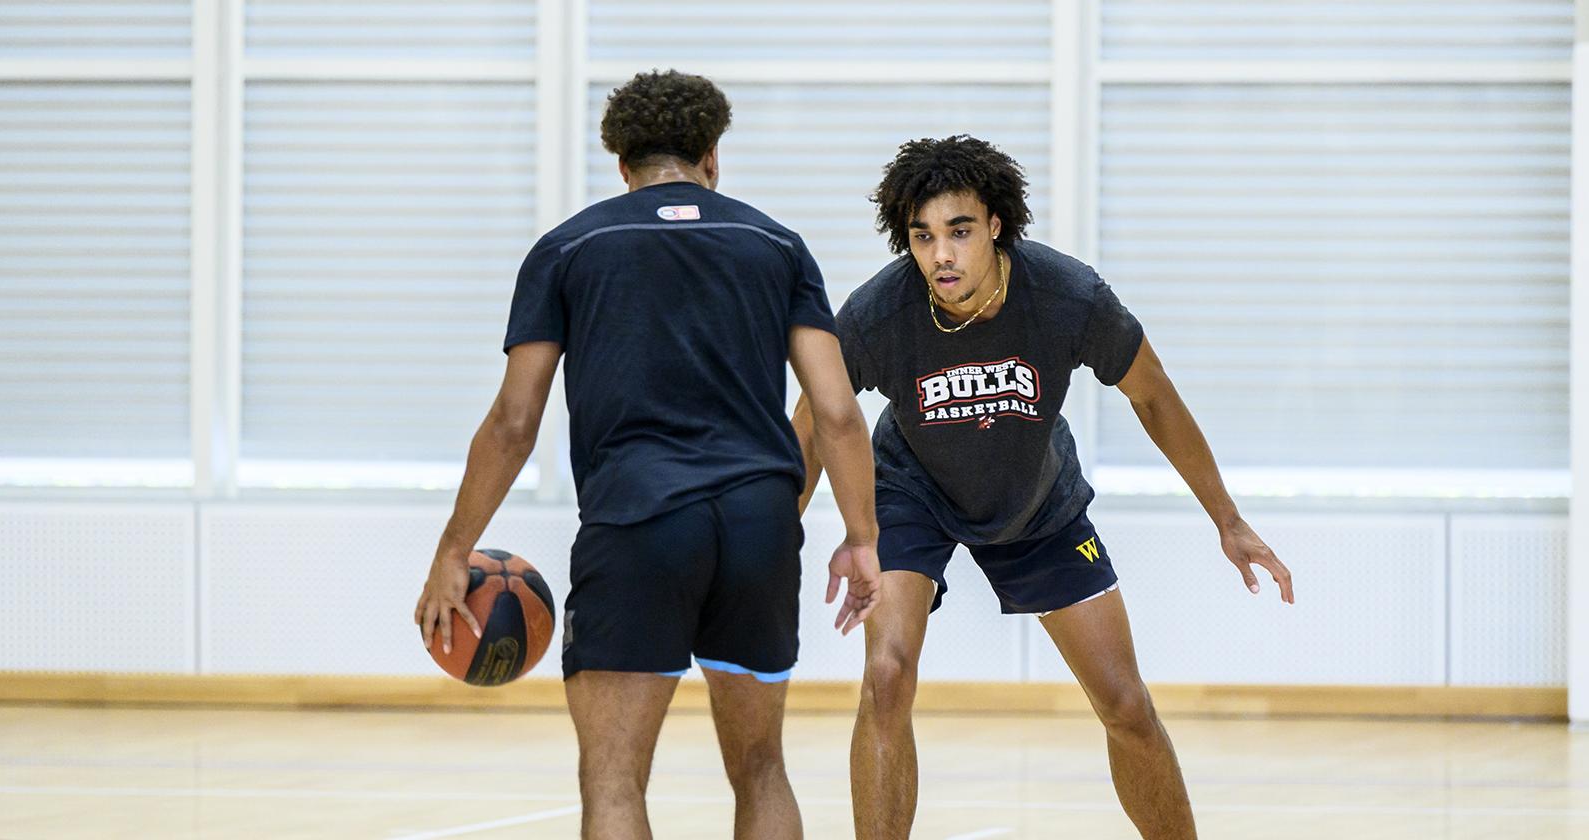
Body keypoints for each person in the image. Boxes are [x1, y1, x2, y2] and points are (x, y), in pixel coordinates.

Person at [416, 70, 883, 840]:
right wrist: (861, 540)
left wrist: (452, 548)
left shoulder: (569, 247)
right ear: (712, 157)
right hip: (760, 527)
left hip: (639, 521)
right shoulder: (777, 245)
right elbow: (836, 411)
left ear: (622, 166)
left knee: (614, 779)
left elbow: (513, 421)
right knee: (762, 767)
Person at [793, 135, 1295, 840]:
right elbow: (816, 421)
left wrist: (1228, 519)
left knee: (1124, 703)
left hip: (1037, 501)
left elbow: (1153, 397)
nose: (941, 255)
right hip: (912, 493)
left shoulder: (1067, 296)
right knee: (885, 677)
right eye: (922, 236)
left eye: (959, 232)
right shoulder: (879, 314)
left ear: (995, 224)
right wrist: (773, 532)